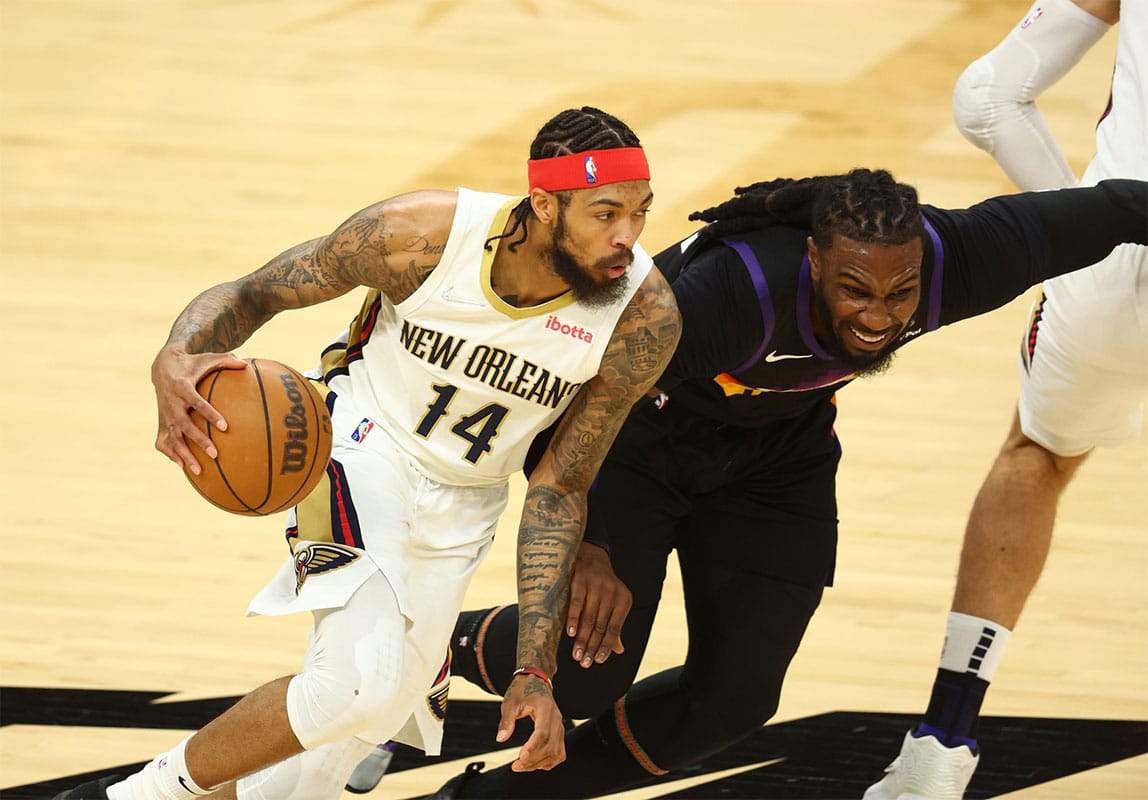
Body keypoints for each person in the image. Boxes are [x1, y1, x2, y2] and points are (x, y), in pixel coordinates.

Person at [413, 168, 1148, 800]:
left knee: (733, 703)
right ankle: (419, 646)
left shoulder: (965, 257)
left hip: (777, 455)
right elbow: (563, 389)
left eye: (902, 294)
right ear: (812, 259)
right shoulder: (732, 295)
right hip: (637, 440)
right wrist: (589, 547)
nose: (879, 317)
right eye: (854, 289)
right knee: (581, 674)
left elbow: (1120, 206)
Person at [53, 106, 681, 800]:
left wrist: (534, 669)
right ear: (542, 203)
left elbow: (560, 488)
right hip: (361, 445)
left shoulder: (642, 319)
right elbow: (255, 291)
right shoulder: (420, 237)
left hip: (468, 502)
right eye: (605, 213)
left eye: (640, 214)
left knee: (366, 723)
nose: (627, 236)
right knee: (354, 684)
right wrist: (175, 357)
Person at [865, 1, 1144, 798]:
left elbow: (986, 97)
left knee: (1040, 453)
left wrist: (1089, 234)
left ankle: (940, 747)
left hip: (1110, 273)